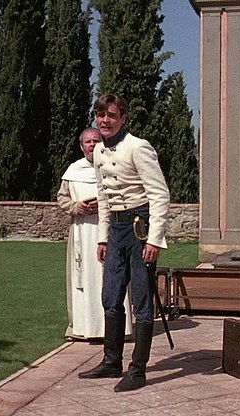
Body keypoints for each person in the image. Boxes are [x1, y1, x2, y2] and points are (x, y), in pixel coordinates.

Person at [77, 94, 170, 392]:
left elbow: (160, 195)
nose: (105, 121)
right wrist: (103, 237)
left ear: (123, 118)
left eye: (112, 116)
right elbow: (104, 198)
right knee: (111, 296)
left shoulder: (138, 147)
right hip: (116, 231)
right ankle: (111, 360)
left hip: (139, 227)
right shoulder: (99, 150)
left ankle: (138, 370)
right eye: (100, 115)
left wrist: (154, 239)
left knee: (141, 301)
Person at [57, 127, 133, 341]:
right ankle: (84, 328)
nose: (92, 145)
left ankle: (117, 329)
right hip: (82, 232)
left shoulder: (114, 165)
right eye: (88, 142)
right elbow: (62, 198)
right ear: (82, 146)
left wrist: (106, 206)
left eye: (95, 141)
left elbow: (127, 194)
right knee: (84, 280)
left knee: (113, 277)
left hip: (111, 231)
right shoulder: (73, 171)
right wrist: (76, 207)